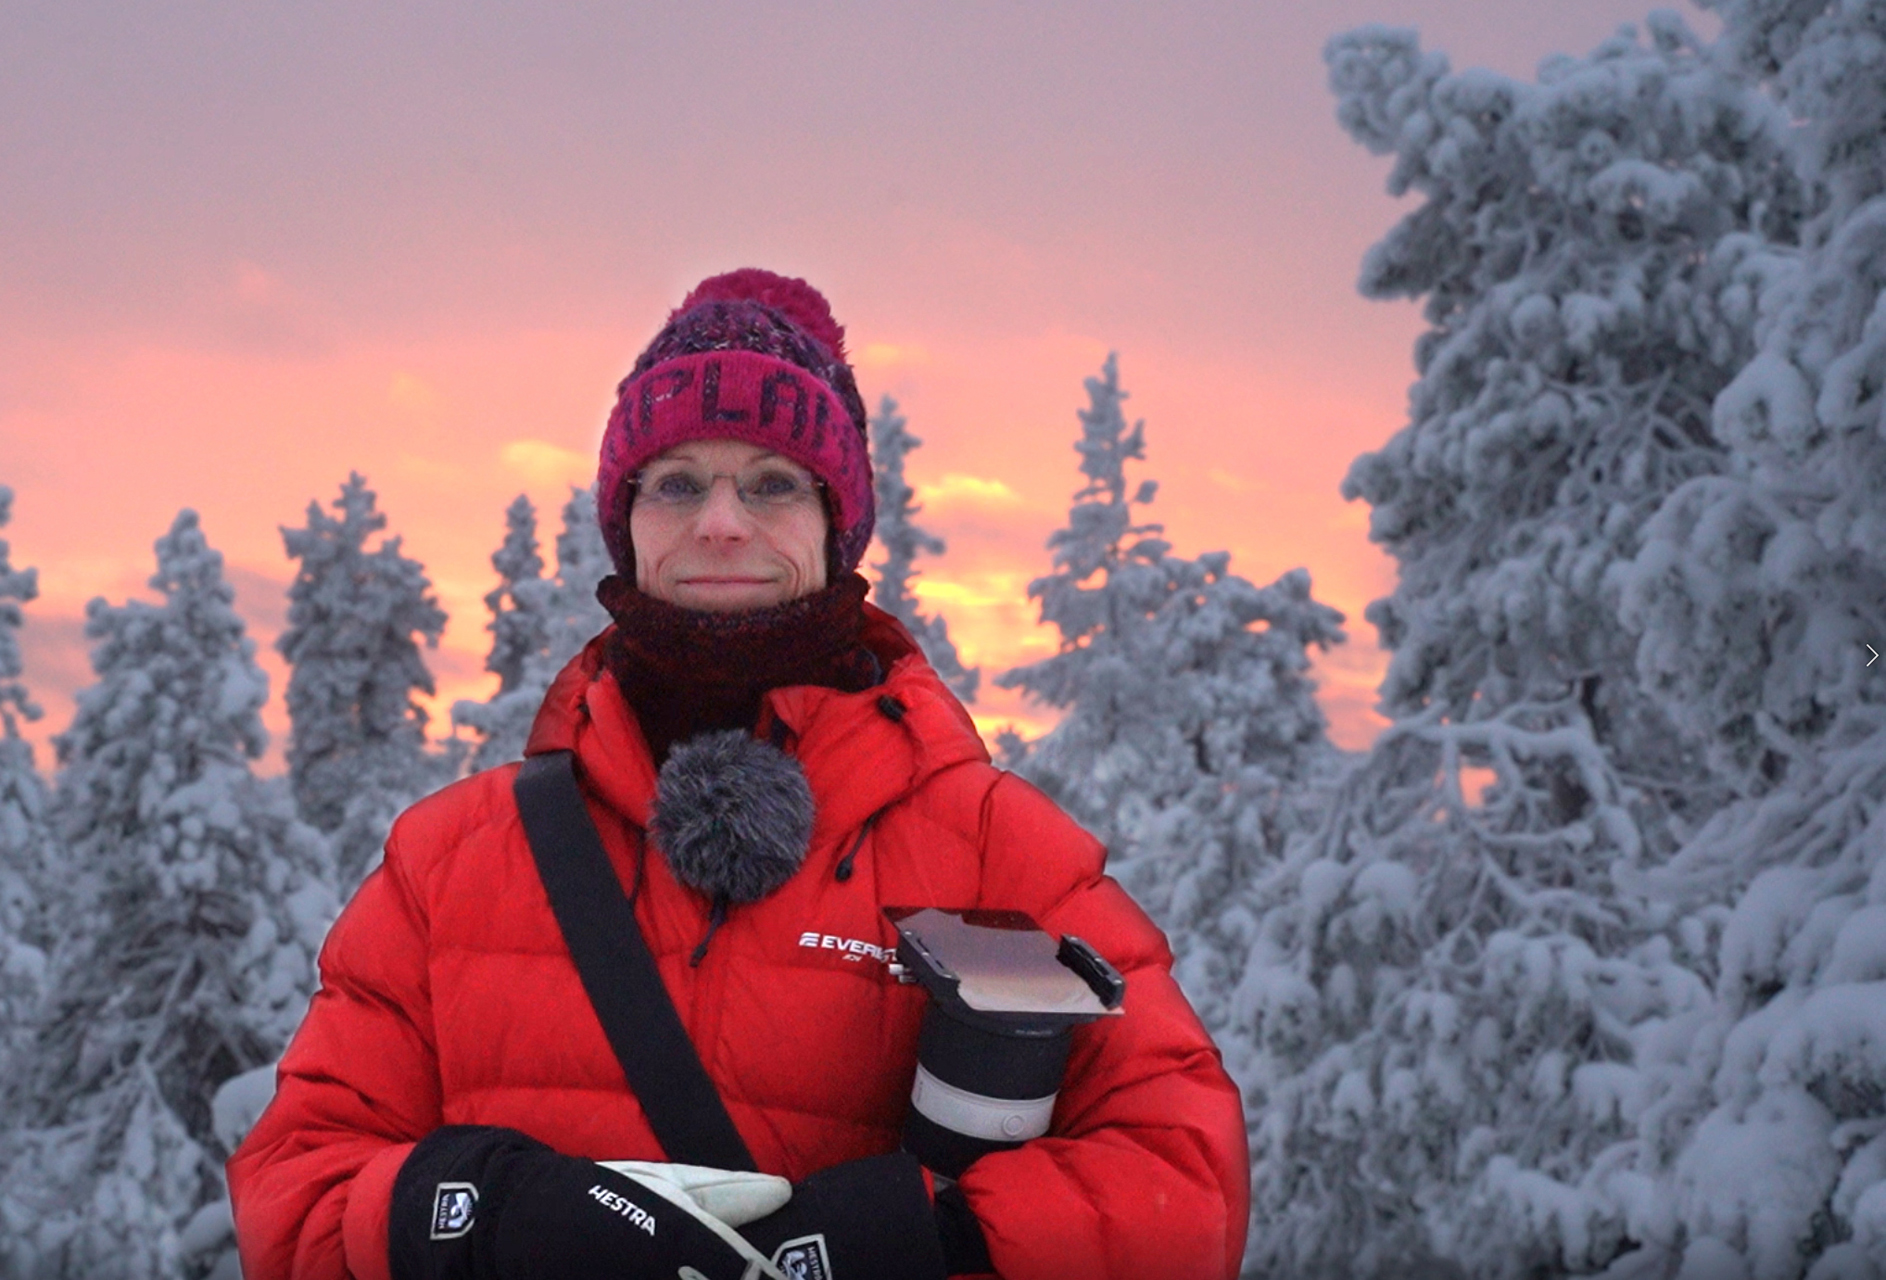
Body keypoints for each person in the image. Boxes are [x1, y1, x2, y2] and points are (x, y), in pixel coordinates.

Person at [228, 269, 1250, 1280]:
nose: (720, 522)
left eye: (771, 482)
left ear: (834, 526)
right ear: (627, 524)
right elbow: (296, 1187)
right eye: (676, 482)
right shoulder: (449, 858)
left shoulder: (998, 848)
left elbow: (1184, 1186)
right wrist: (474, 1210)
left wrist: (939, 1238)